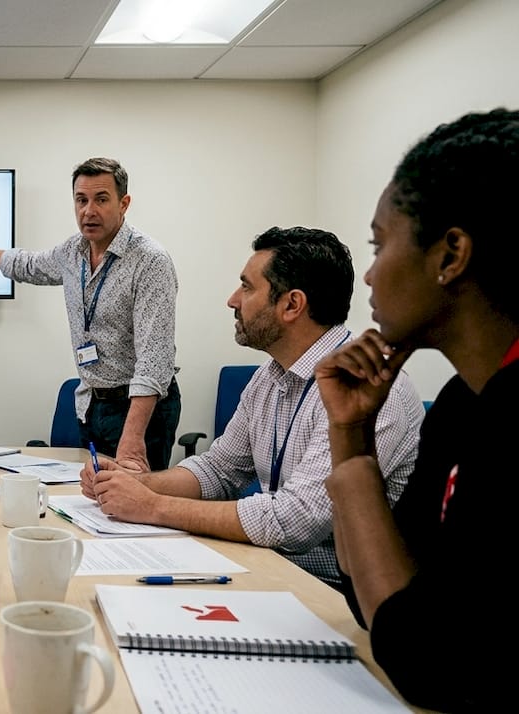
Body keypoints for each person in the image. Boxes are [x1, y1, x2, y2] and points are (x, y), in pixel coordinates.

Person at [82, 227, 423, 588]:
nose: (233, 300)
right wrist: (135, 483)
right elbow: (219, 470)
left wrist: (151, 506)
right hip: (274, 569)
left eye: (246, 287)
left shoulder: (368, 389)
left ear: (292, 305)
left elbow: (296, 520)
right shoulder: (269, 377)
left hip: (341, 594)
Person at [314, 108, 518, 710]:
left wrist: (352, 456)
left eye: (379, 245)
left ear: (450, 254)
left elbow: (427, 661)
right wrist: (350, 432)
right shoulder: (461, 405)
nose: (370, 275)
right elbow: (374, 598)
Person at [0, 158, 180, 470]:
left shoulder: (150, 261)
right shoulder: (73, 252)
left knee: (133, 508)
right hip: (91, 403)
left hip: (140, 410)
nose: (88, 211)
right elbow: (27, 265)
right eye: (81, 200)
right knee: (91, 501)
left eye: (101, 199)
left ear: (124, 203)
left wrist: (133, 437)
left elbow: (154, 360)